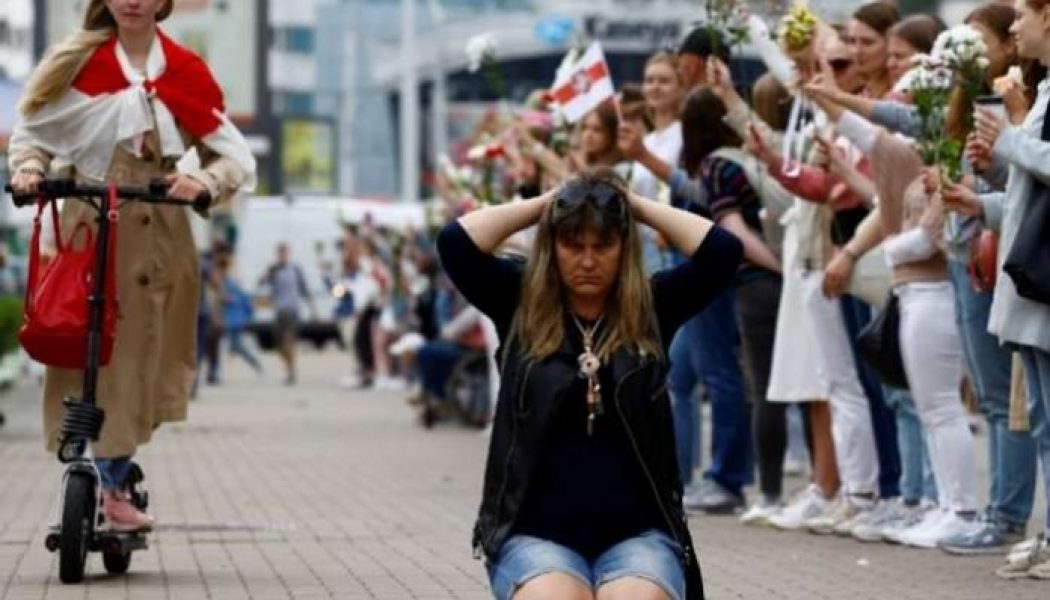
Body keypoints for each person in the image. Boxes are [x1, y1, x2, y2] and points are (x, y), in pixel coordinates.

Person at [437, 168, 743, 600]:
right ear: (552, 245)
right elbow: (455, 242)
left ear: (624, 246)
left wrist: (632, 204)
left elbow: (724, 252)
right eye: (572, 244)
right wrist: (548, 203)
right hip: (534, 534)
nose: (587, 260)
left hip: (639, 535)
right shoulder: (518, 302)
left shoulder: (653, 308)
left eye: (603, 245)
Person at [7, 0, 254, 530]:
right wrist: (29, 169)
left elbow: (233, 157)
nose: (132, 1)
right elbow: (33, 133)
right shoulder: (75, 62)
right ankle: (99, 476)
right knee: (79, 347)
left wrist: (203, 182)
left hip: (159, 236)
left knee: (143, 360)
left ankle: (113, 480)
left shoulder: (186, 69)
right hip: (88, 227)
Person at [259, 243, 313, 385]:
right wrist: (267, 273)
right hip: (279, 311)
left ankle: (291, 371)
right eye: (280, 253)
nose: (282, 256)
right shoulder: (274, 270)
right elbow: (262, 284)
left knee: (289, 341)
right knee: (279, 344)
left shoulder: (295, 269)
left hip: (292, 310)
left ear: (288, 254)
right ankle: (288, 366)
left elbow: (304, 289)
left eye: (284, 253)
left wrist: (313, 310)